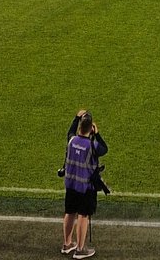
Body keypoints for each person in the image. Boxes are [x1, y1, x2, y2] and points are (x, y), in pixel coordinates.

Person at [61, 110, 107, 259]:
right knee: (83, 215)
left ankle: (67, 244)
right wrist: (97, 134)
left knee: (70, 212)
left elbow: (70, 132)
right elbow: (104, 148)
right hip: (85, 187)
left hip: (71, 184)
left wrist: (76, 118)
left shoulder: (71, 140)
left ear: (80, 126)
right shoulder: (92, 146)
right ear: (91, 128)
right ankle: (80, 249)